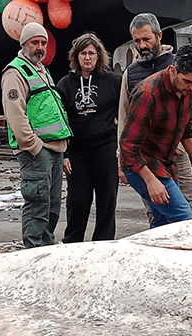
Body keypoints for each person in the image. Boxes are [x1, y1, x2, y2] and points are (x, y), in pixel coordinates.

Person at [117, 13, 192, 221]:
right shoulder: (144, 89)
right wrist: (147, 179)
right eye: (137, 41)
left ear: (159, 36)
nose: (142, 45)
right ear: (173, 72)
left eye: (146, 39)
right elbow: (127, 139)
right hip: (142, 160)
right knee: (182, 214)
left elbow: (188, 125)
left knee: (168, 215)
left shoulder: (188, 79)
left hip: (174, 155)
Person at [1, 21, 72, 248]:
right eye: (35, 42)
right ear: (24, 44)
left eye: (43, 43)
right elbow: (15, 113)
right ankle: (33, 249)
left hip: (54, 148)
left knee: (51, 205)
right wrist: (33, 146)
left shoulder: (42, 71)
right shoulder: (15, 73)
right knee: (37, 202)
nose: (40, 47)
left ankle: (46, 246)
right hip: (36, 150)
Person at [55, 32, 121, 242]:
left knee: (107, 199)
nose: (87, 58)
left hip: (105, 147)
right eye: (83, 53)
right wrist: (64, 153)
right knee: (78, 201)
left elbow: (126, 111)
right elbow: (60, 120)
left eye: (92, 53)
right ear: (76, 56)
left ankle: (104, 242)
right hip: (77, 151)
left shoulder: (113, 82)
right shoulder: (65, 84)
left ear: (99, 56)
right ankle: (72, 242)